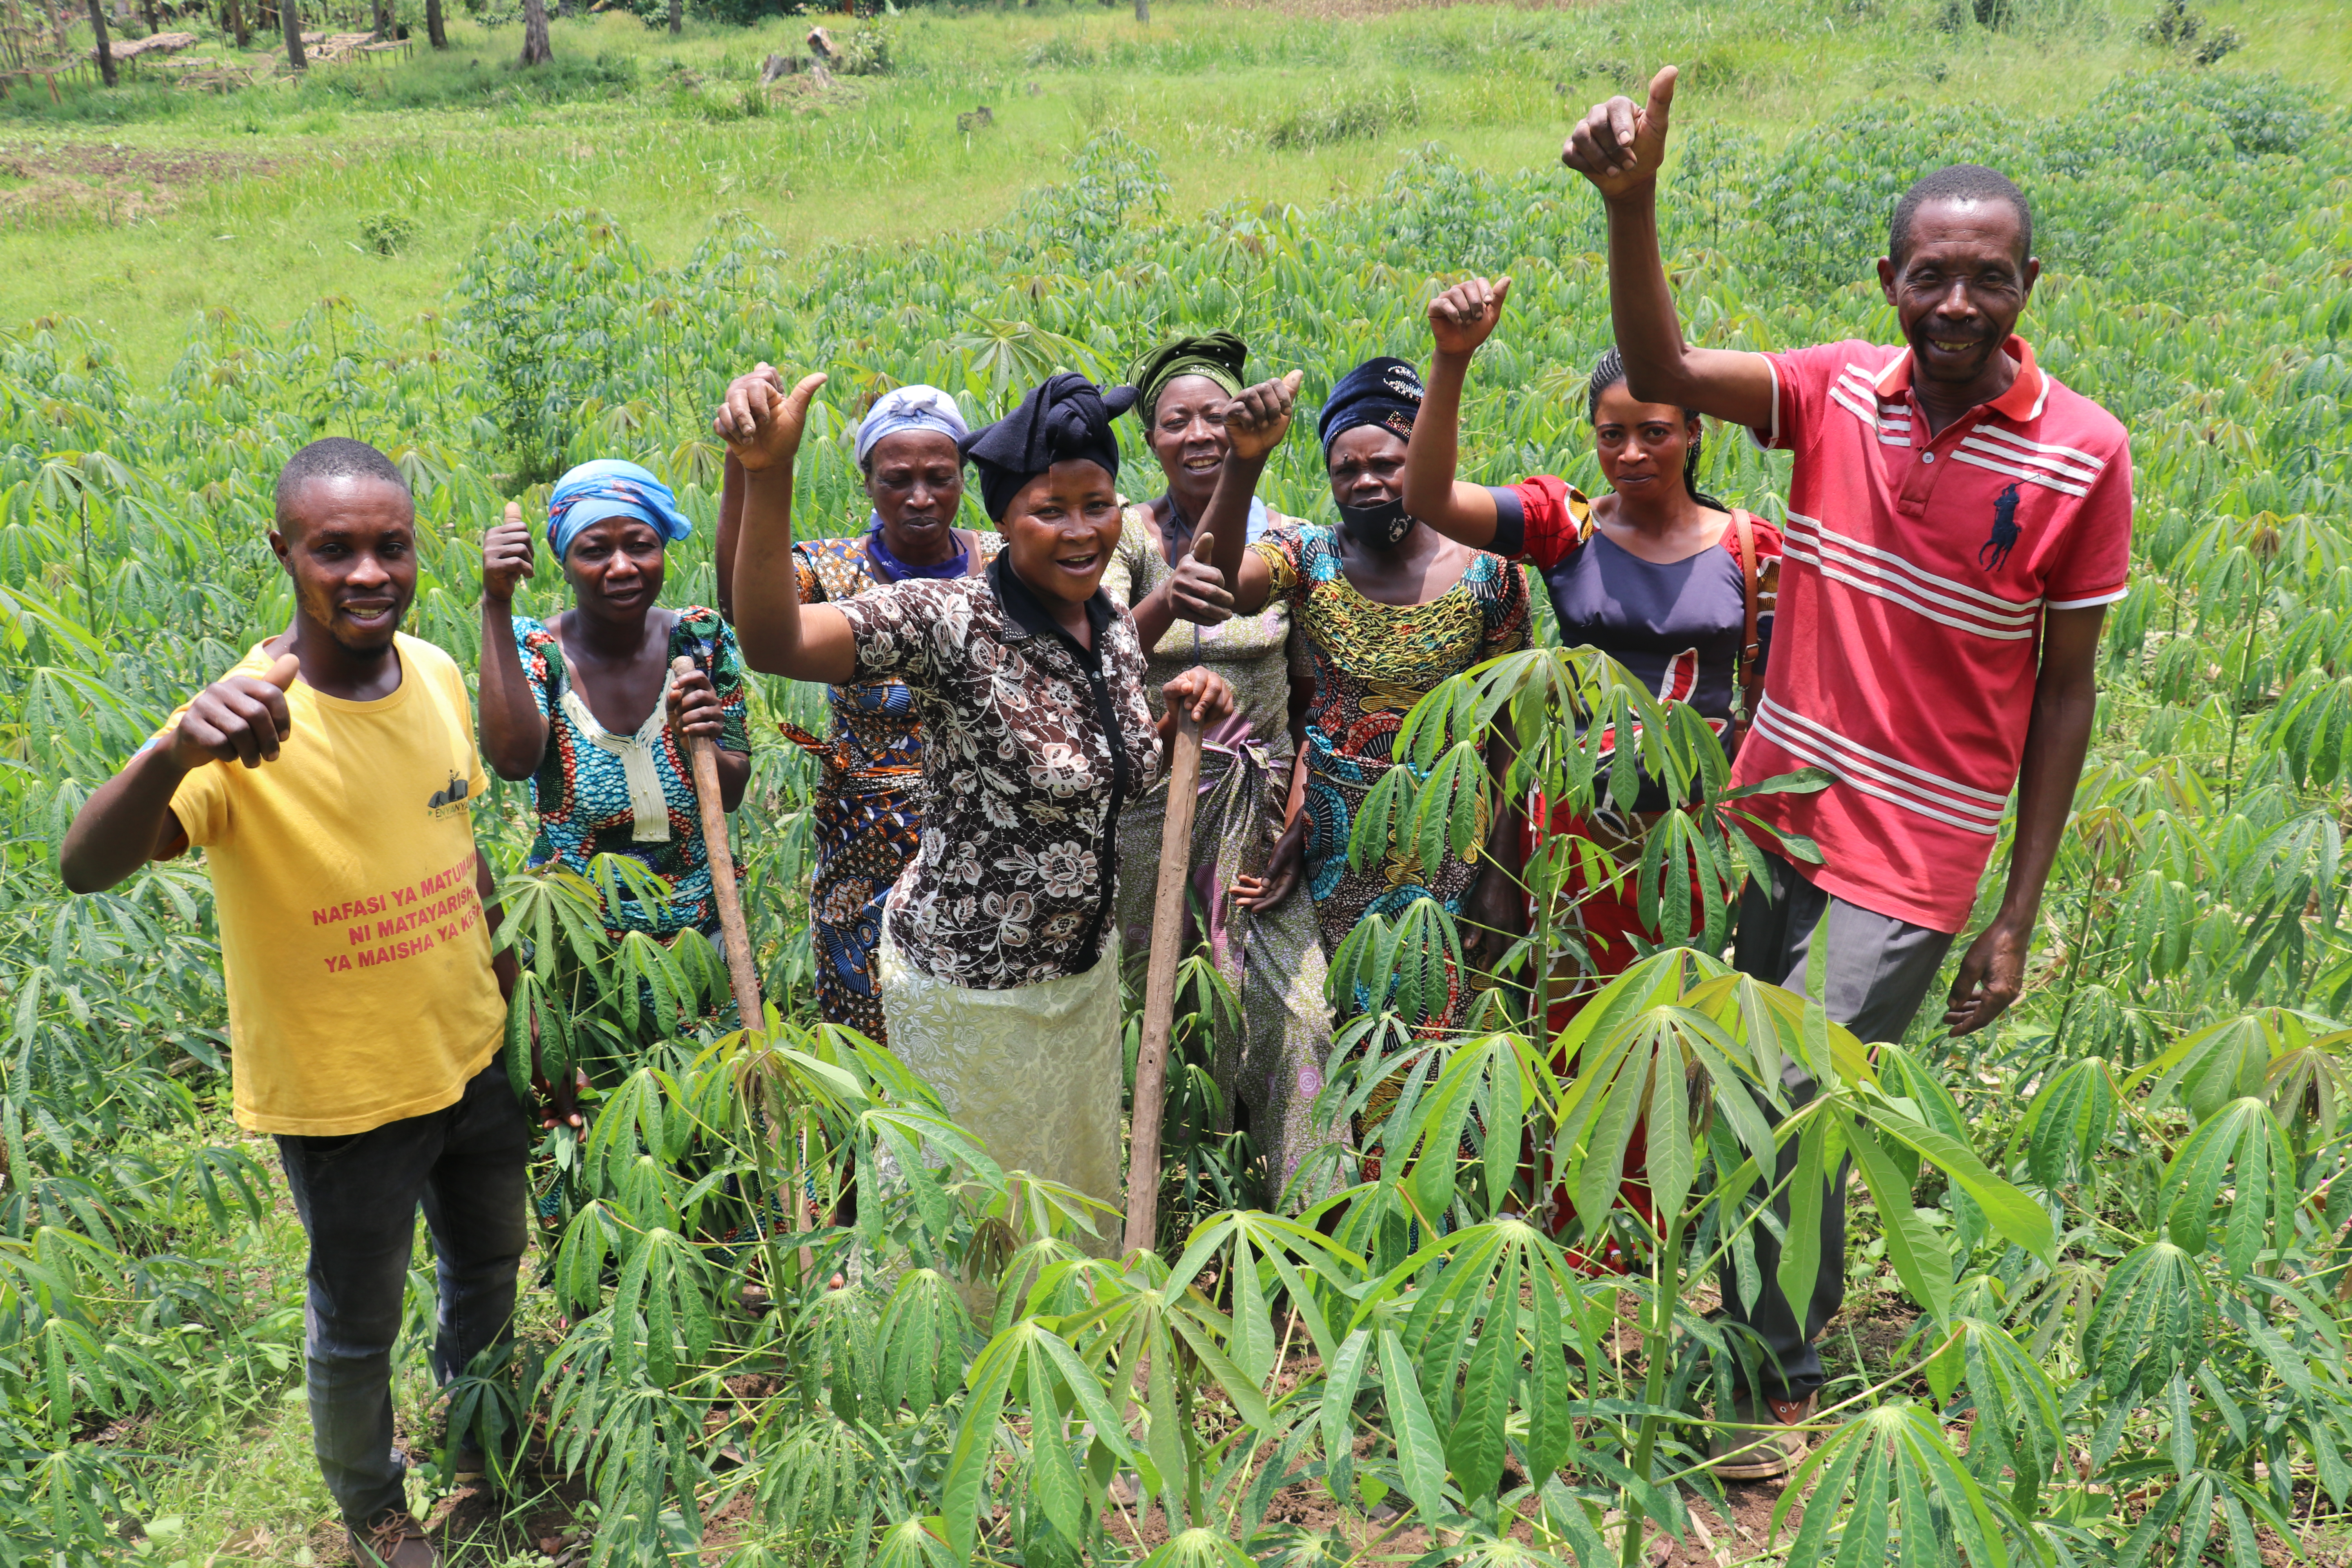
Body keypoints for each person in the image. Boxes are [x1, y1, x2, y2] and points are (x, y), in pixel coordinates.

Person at [1565, 69, 2132, 1475]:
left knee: (1792, 1087)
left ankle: (1764, 1375)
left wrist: (2016, 904)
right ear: (1886, 279)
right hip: (1773, 804)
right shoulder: (1826, 394)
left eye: (1985, 279)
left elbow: (2063, 697)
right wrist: (1630, 211)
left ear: (2027, 284)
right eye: (1929, 276)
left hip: (1922, 845)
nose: (1956, 304)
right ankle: (1758, 1329)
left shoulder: (2082, 454)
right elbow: (1669, 366)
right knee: (1753, 1085)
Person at [59, 439, 566, 1568]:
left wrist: (515, 1008)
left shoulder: (435, 671)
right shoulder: (244, 723)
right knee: (356, 1325)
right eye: (334, 549)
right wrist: (173, 748)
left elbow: (461, 842)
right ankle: (374, 1507)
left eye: (391, 546)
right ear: (283, 550)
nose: (368, 572)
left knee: (486, 1268)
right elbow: (88, 865)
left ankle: (478, 1435)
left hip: (473, 1055)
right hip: (346, 1099)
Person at [717, 365, 1234, 1256]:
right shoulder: (946, 615)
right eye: (1050, 509)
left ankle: (1062, 1382)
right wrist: (768, 473)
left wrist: (1175, 711)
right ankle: (943, 1389)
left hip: (1075, 981)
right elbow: (774, 641)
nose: (1080, 531)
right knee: (957, 1228)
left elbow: (1102, 773)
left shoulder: (1106, 622)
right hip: (968, 990)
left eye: (1097, 504)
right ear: (1001, 520)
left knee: (1063, 1223)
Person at [1404, 281, 1783, 1006]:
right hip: (1578, 839)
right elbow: (1430, 499)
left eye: (1655, 433)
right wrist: (1451, 360)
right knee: (1579, 1052)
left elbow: (1781, 699)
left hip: (1694, 841)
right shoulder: (1566, 524)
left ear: (1695, 431)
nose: (1632, 454)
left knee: (1676, 1052)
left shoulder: (1749, 547)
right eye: (1613, 436)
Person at [1203, 359, 1533, 1034]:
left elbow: (1509, 734)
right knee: (1352, 1028)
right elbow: (1220, 586)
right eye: (1345, 470)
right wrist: (1243, 465)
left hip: (1455, 840)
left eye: (1385, 463)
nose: (1366, 482)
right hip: (1338, 840)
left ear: (1423, 459)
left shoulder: (1491, 573)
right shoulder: (1308, 556)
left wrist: (1505, 873)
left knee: (1447, 1034)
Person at [1103, 332, 1339, 1210]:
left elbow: (1320, 695)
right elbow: (1101, 653)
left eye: (1216, 416)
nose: (1198, 434)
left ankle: (1309, 1214)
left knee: (1294, 1012)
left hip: (1263, 805)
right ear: (1153, 439)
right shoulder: (1124, 537)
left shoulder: (1293, 544)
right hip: (1147, 811)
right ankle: (1172, 1207)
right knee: (1155, 1007)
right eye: (1177, 421)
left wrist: (1298, 813)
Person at [713, 385, 1000, 1044]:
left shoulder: (1006, 560)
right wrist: (749, 466)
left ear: (966, 477)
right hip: (868, 840)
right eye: (898, 479)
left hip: (985, 836)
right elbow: (742, 606)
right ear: (868, 480)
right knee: (871, 1026)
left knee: (978, 1031)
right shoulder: (832, 570)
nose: (921, 496)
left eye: (941, 477)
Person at [477, 459, 749, 945]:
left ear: (663, 551)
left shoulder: (701, 640)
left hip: (703, 935)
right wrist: (496, 603)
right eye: (595, 550)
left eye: (641, 546)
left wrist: (696, 743)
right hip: (583, 952)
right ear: (563, 561)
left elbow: (730, 793)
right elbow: (514, 761)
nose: (622, 566)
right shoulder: (536, 652)